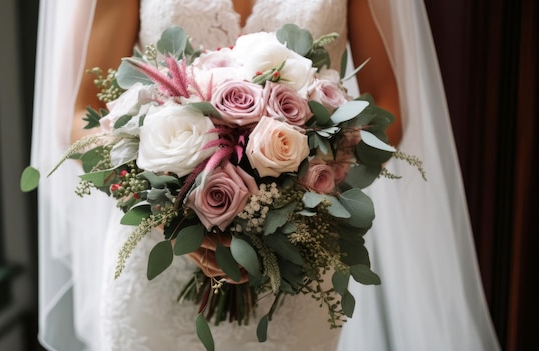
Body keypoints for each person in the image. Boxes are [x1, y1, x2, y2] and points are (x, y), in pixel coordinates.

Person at [31, 0, 501, 350]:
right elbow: (81, 114)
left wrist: (306, 184)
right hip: (160, 261)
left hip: (296, 261)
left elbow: (388, 107)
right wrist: (172, 212)